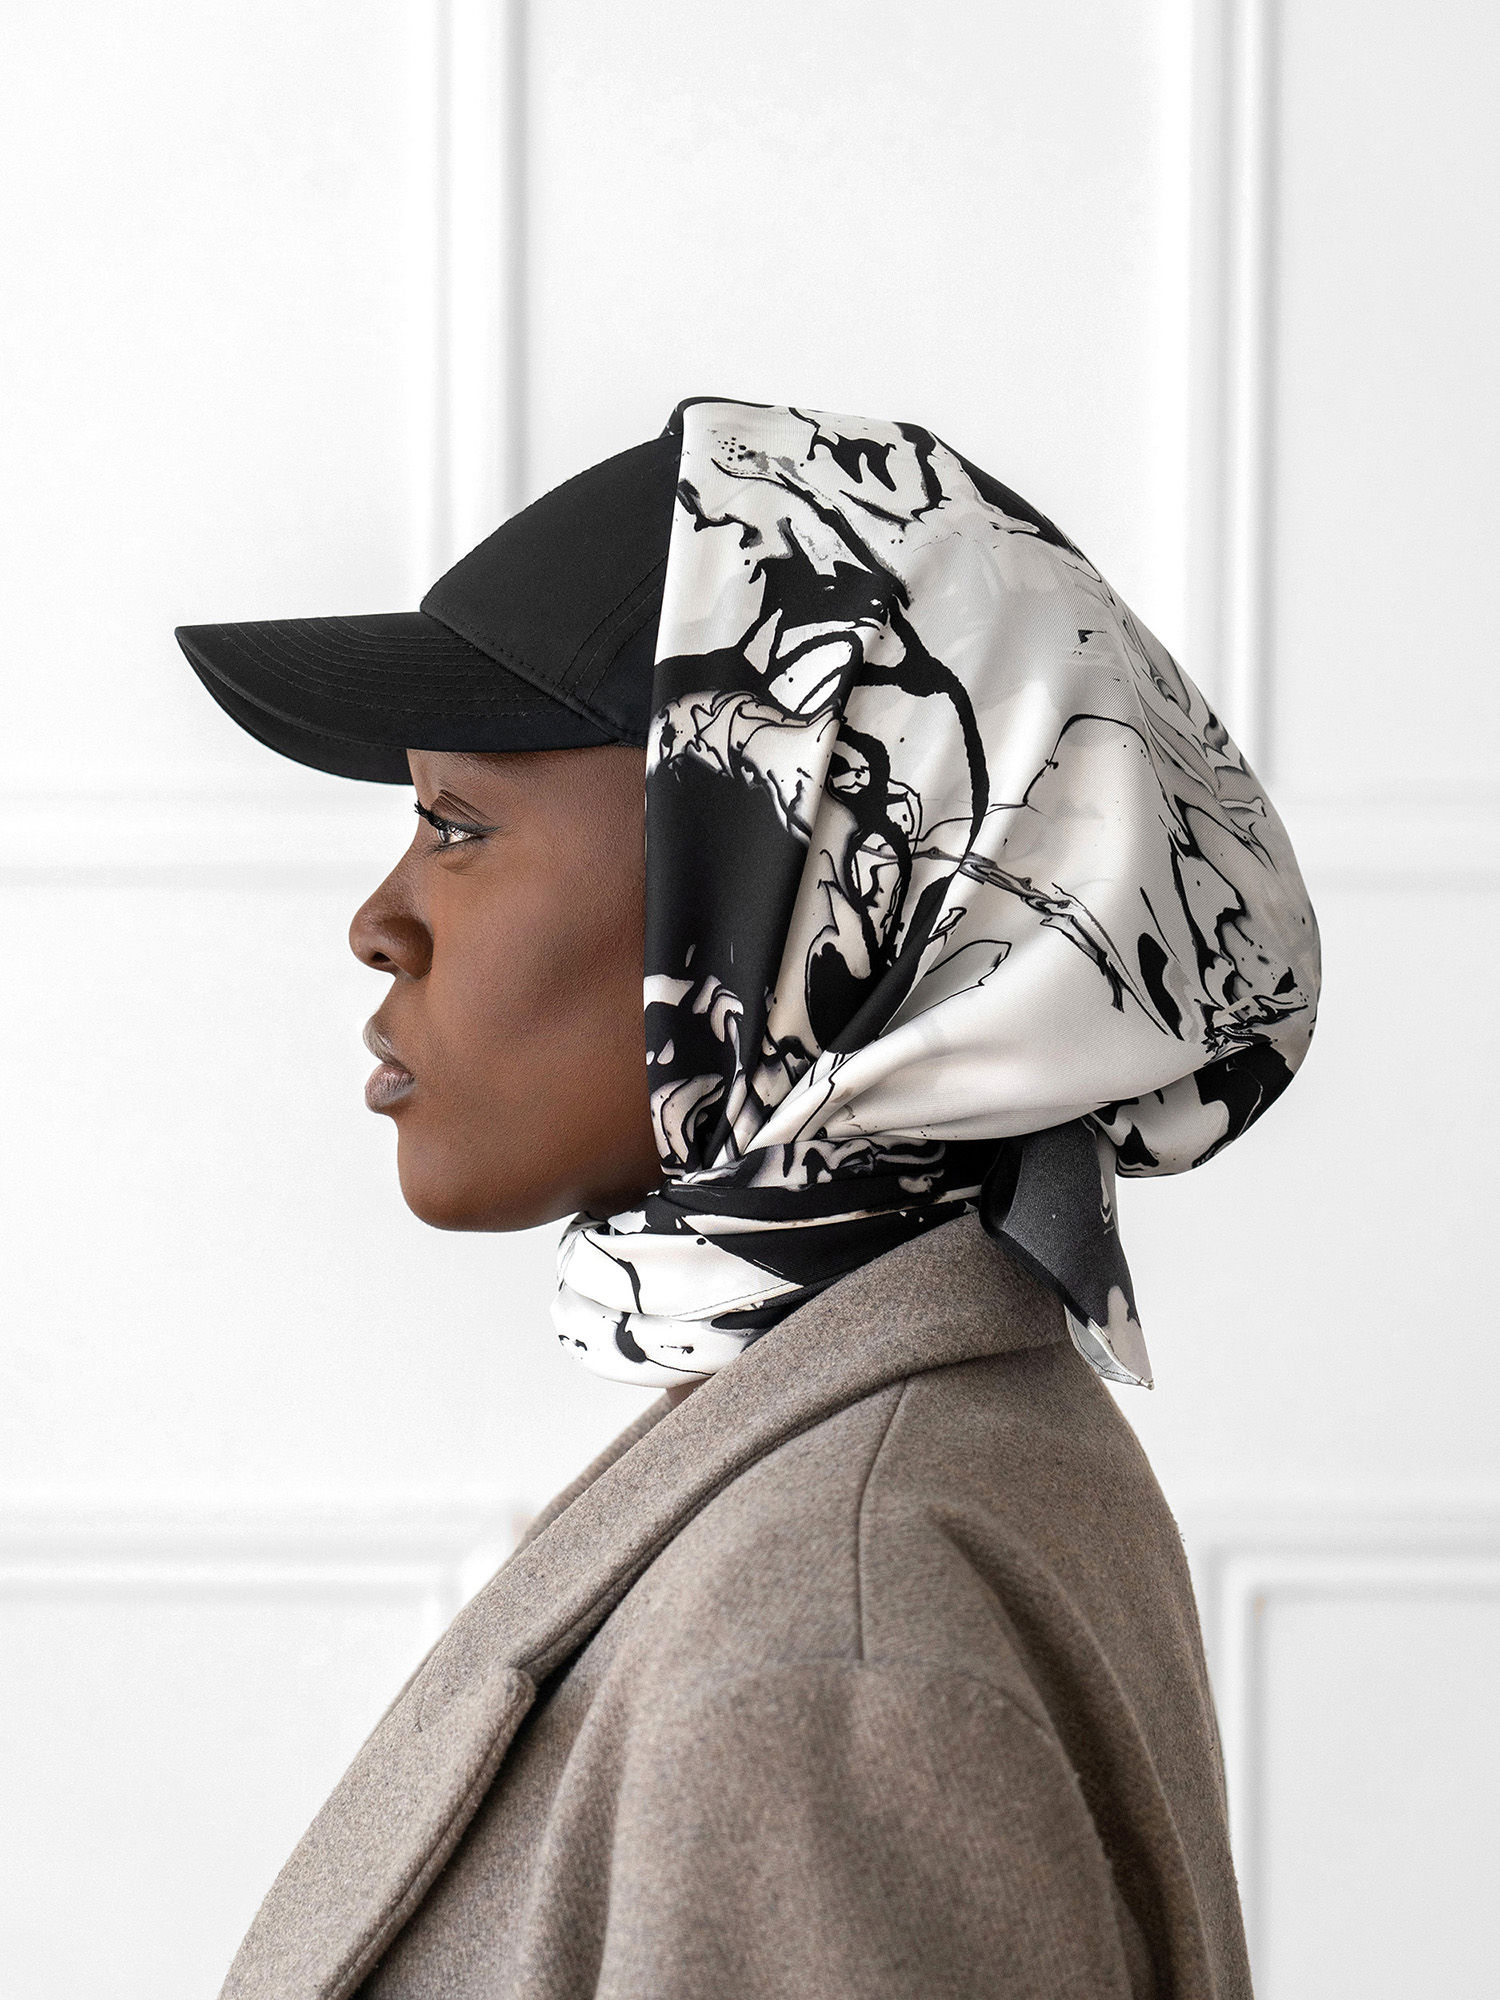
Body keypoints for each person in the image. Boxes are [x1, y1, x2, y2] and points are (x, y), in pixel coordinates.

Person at [177, 397, 1319, 2000]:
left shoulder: (835, 1655)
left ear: (793, 876)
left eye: (455, 825)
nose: (380, 923)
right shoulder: (915, 1420)